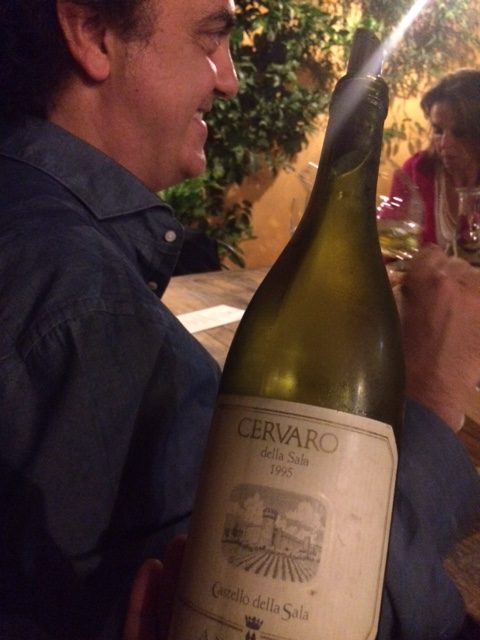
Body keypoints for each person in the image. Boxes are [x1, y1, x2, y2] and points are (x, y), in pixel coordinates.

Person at [0, 1, 478, 639]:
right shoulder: (82, 307)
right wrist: (433, 398)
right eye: (210, 40)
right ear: (91, 32)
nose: (228, 79)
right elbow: (296, 616)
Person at [390, 68, 480, 251]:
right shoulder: (414, 172)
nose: (445, 144)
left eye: (460, 132)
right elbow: (391, 251)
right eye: (438, 131)